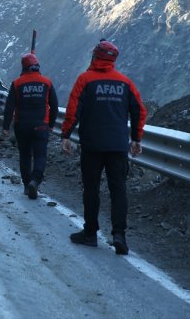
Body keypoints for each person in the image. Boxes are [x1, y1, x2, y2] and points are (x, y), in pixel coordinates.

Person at [61, 39, 147, 255]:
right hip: (118, 146)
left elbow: (73, 110)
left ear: (95, 56)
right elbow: (139, 111)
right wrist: (136, 138)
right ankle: (120, 236)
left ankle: (90, 233)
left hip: (92, 145)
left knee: (91, 189)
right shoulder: (125, 83)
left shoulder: (85, 79)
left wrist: (66, 135)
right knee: (118, 190)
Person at [2, 53, 58, 199]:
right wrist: (51, 124)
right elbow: (55, 105)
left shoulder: (17, 83)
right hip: (41, 126)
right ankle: (35, 180)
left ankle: (27, 185)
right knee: (40, 155)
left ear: (23, 67)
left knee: (25, 155)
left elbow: (9, 107)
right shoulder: (47, 82)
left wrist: (6, 127)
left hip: (22, 125)